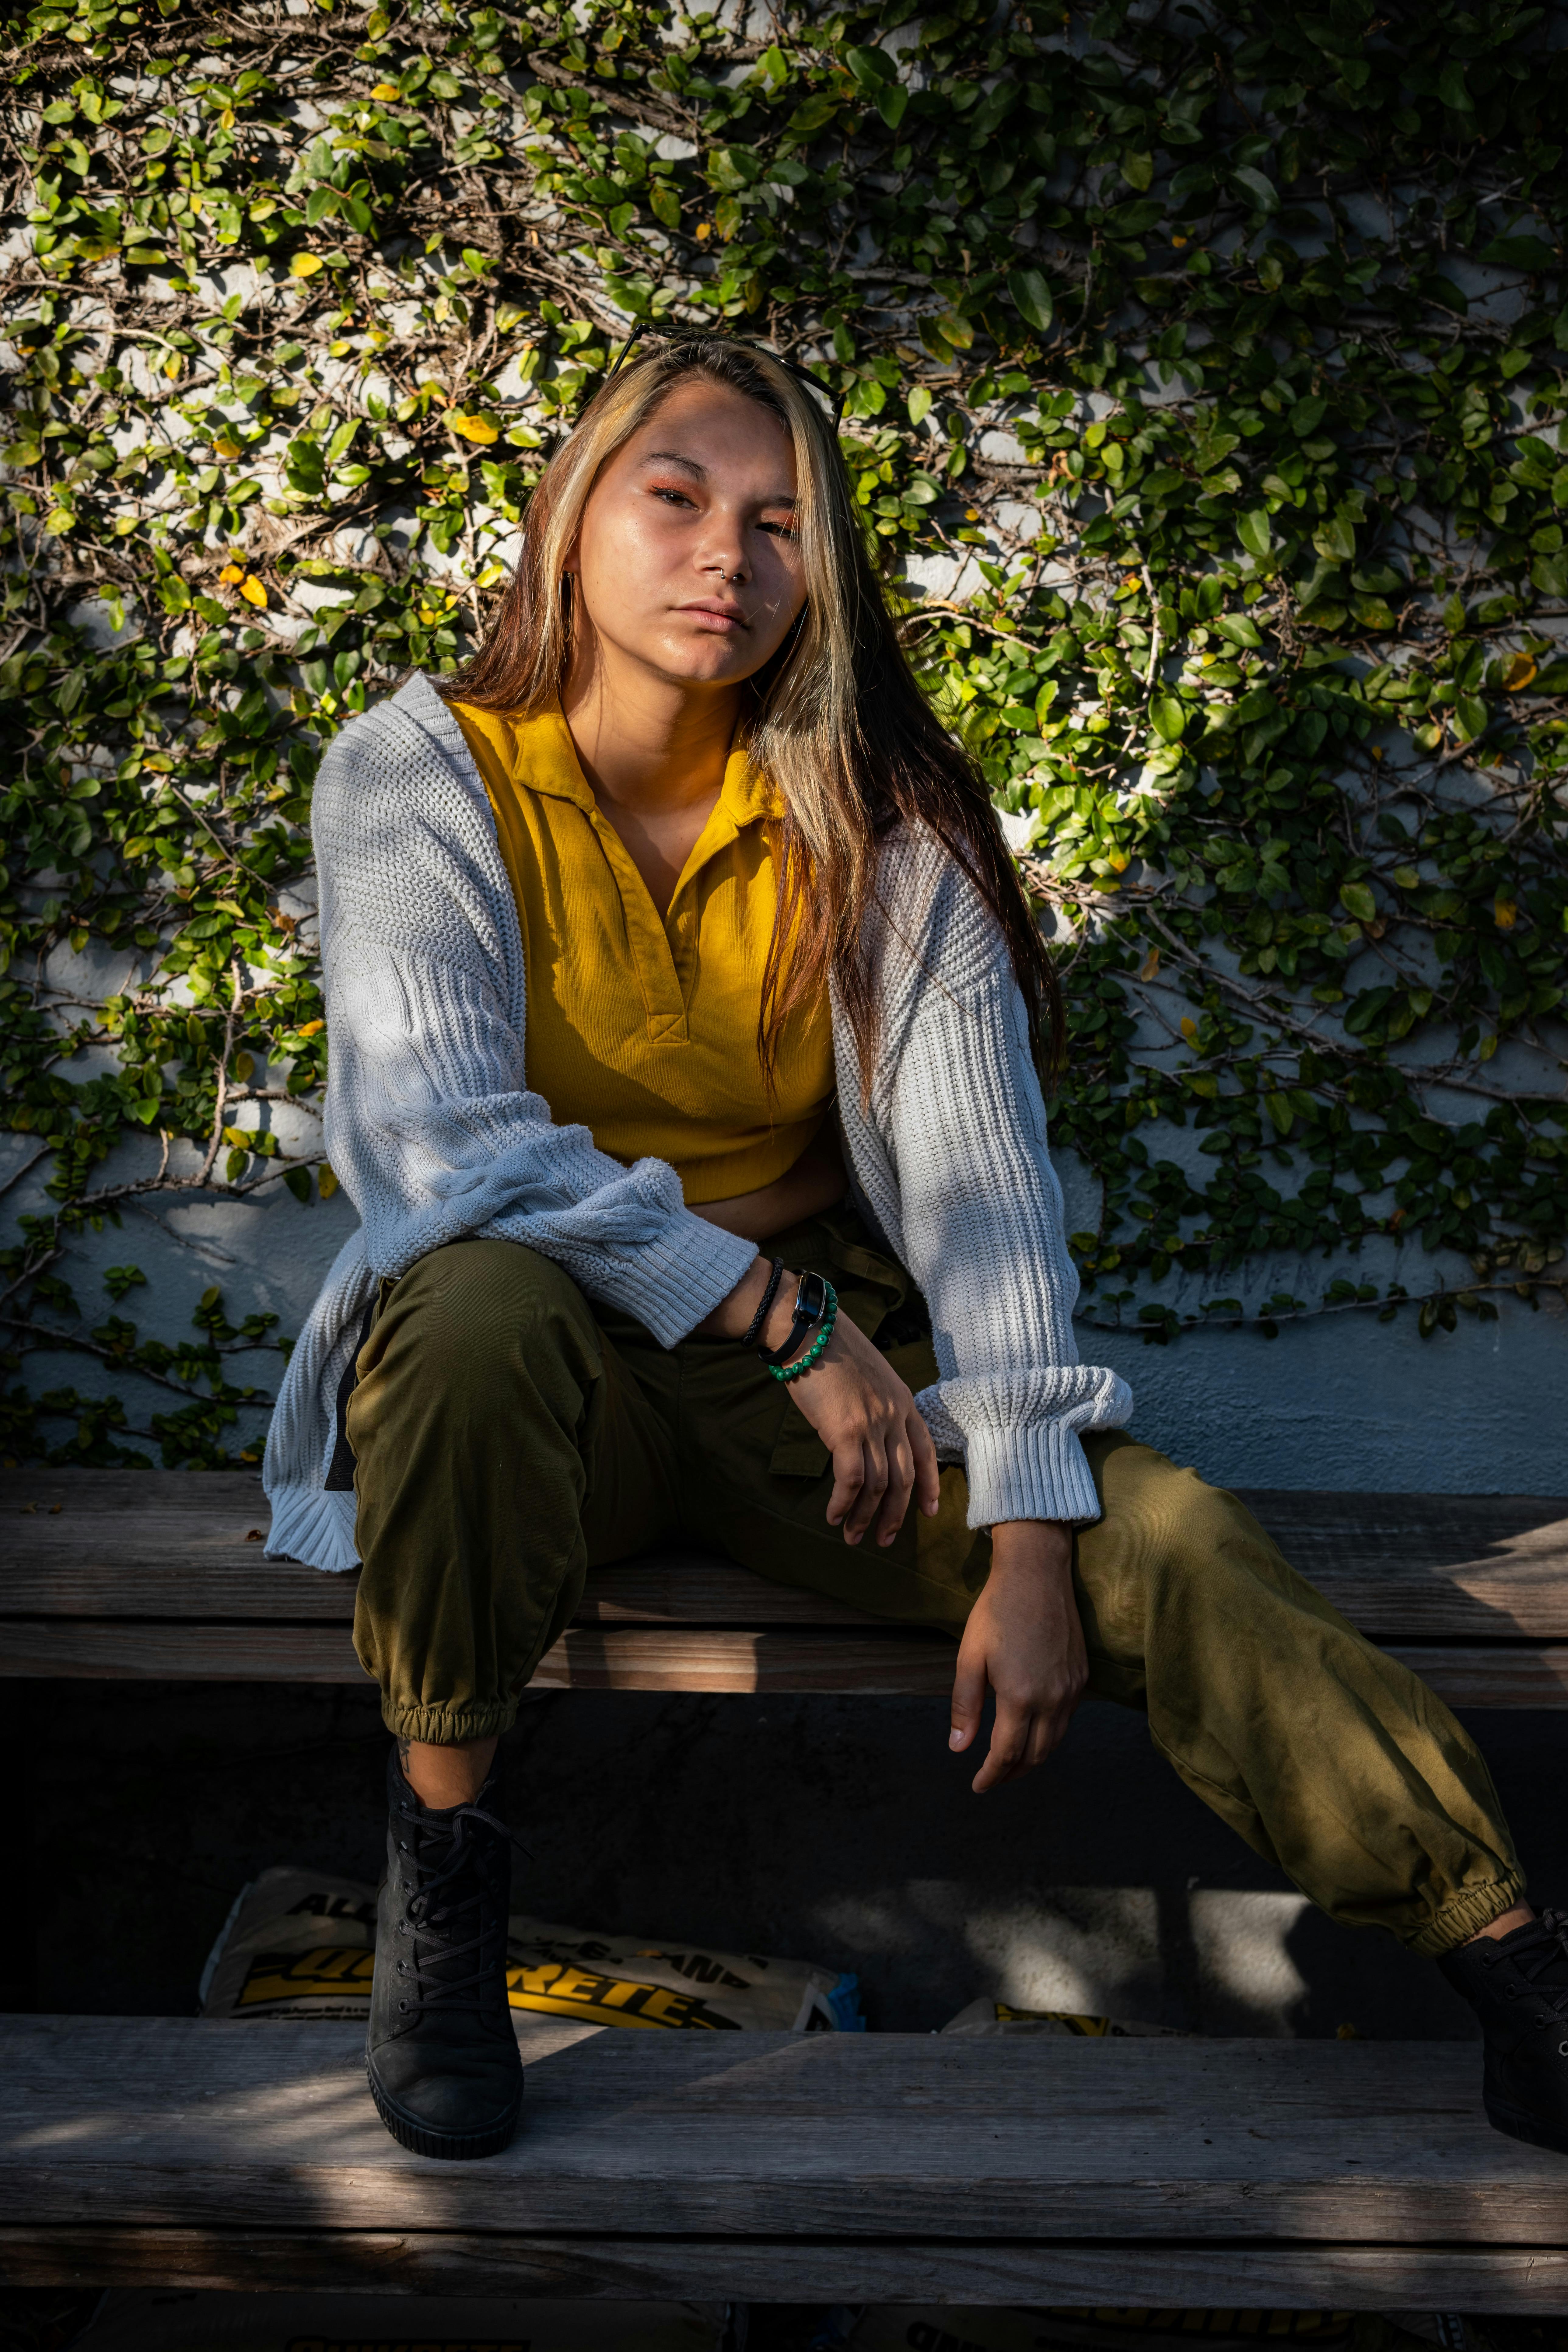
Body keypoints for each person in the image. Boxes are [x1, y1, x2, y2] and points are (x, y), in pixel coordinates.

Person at [264, 334, 1566, 2165]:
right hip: (548, 1382)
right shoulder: (417, 777)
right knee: (472, 1306)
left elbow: (983, 1188)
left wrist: (1031, 1526)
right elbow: (439, 1146)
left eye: (784, 524)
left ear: (825, 581)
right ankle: (444, 1891)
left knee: (1174, 1542)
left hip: (828, 1405)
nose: (731, 553)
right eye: (680, 497)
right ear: (570, 517)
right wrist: (770, 1309)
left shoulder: (873, 836)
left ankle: (1514, 1963)